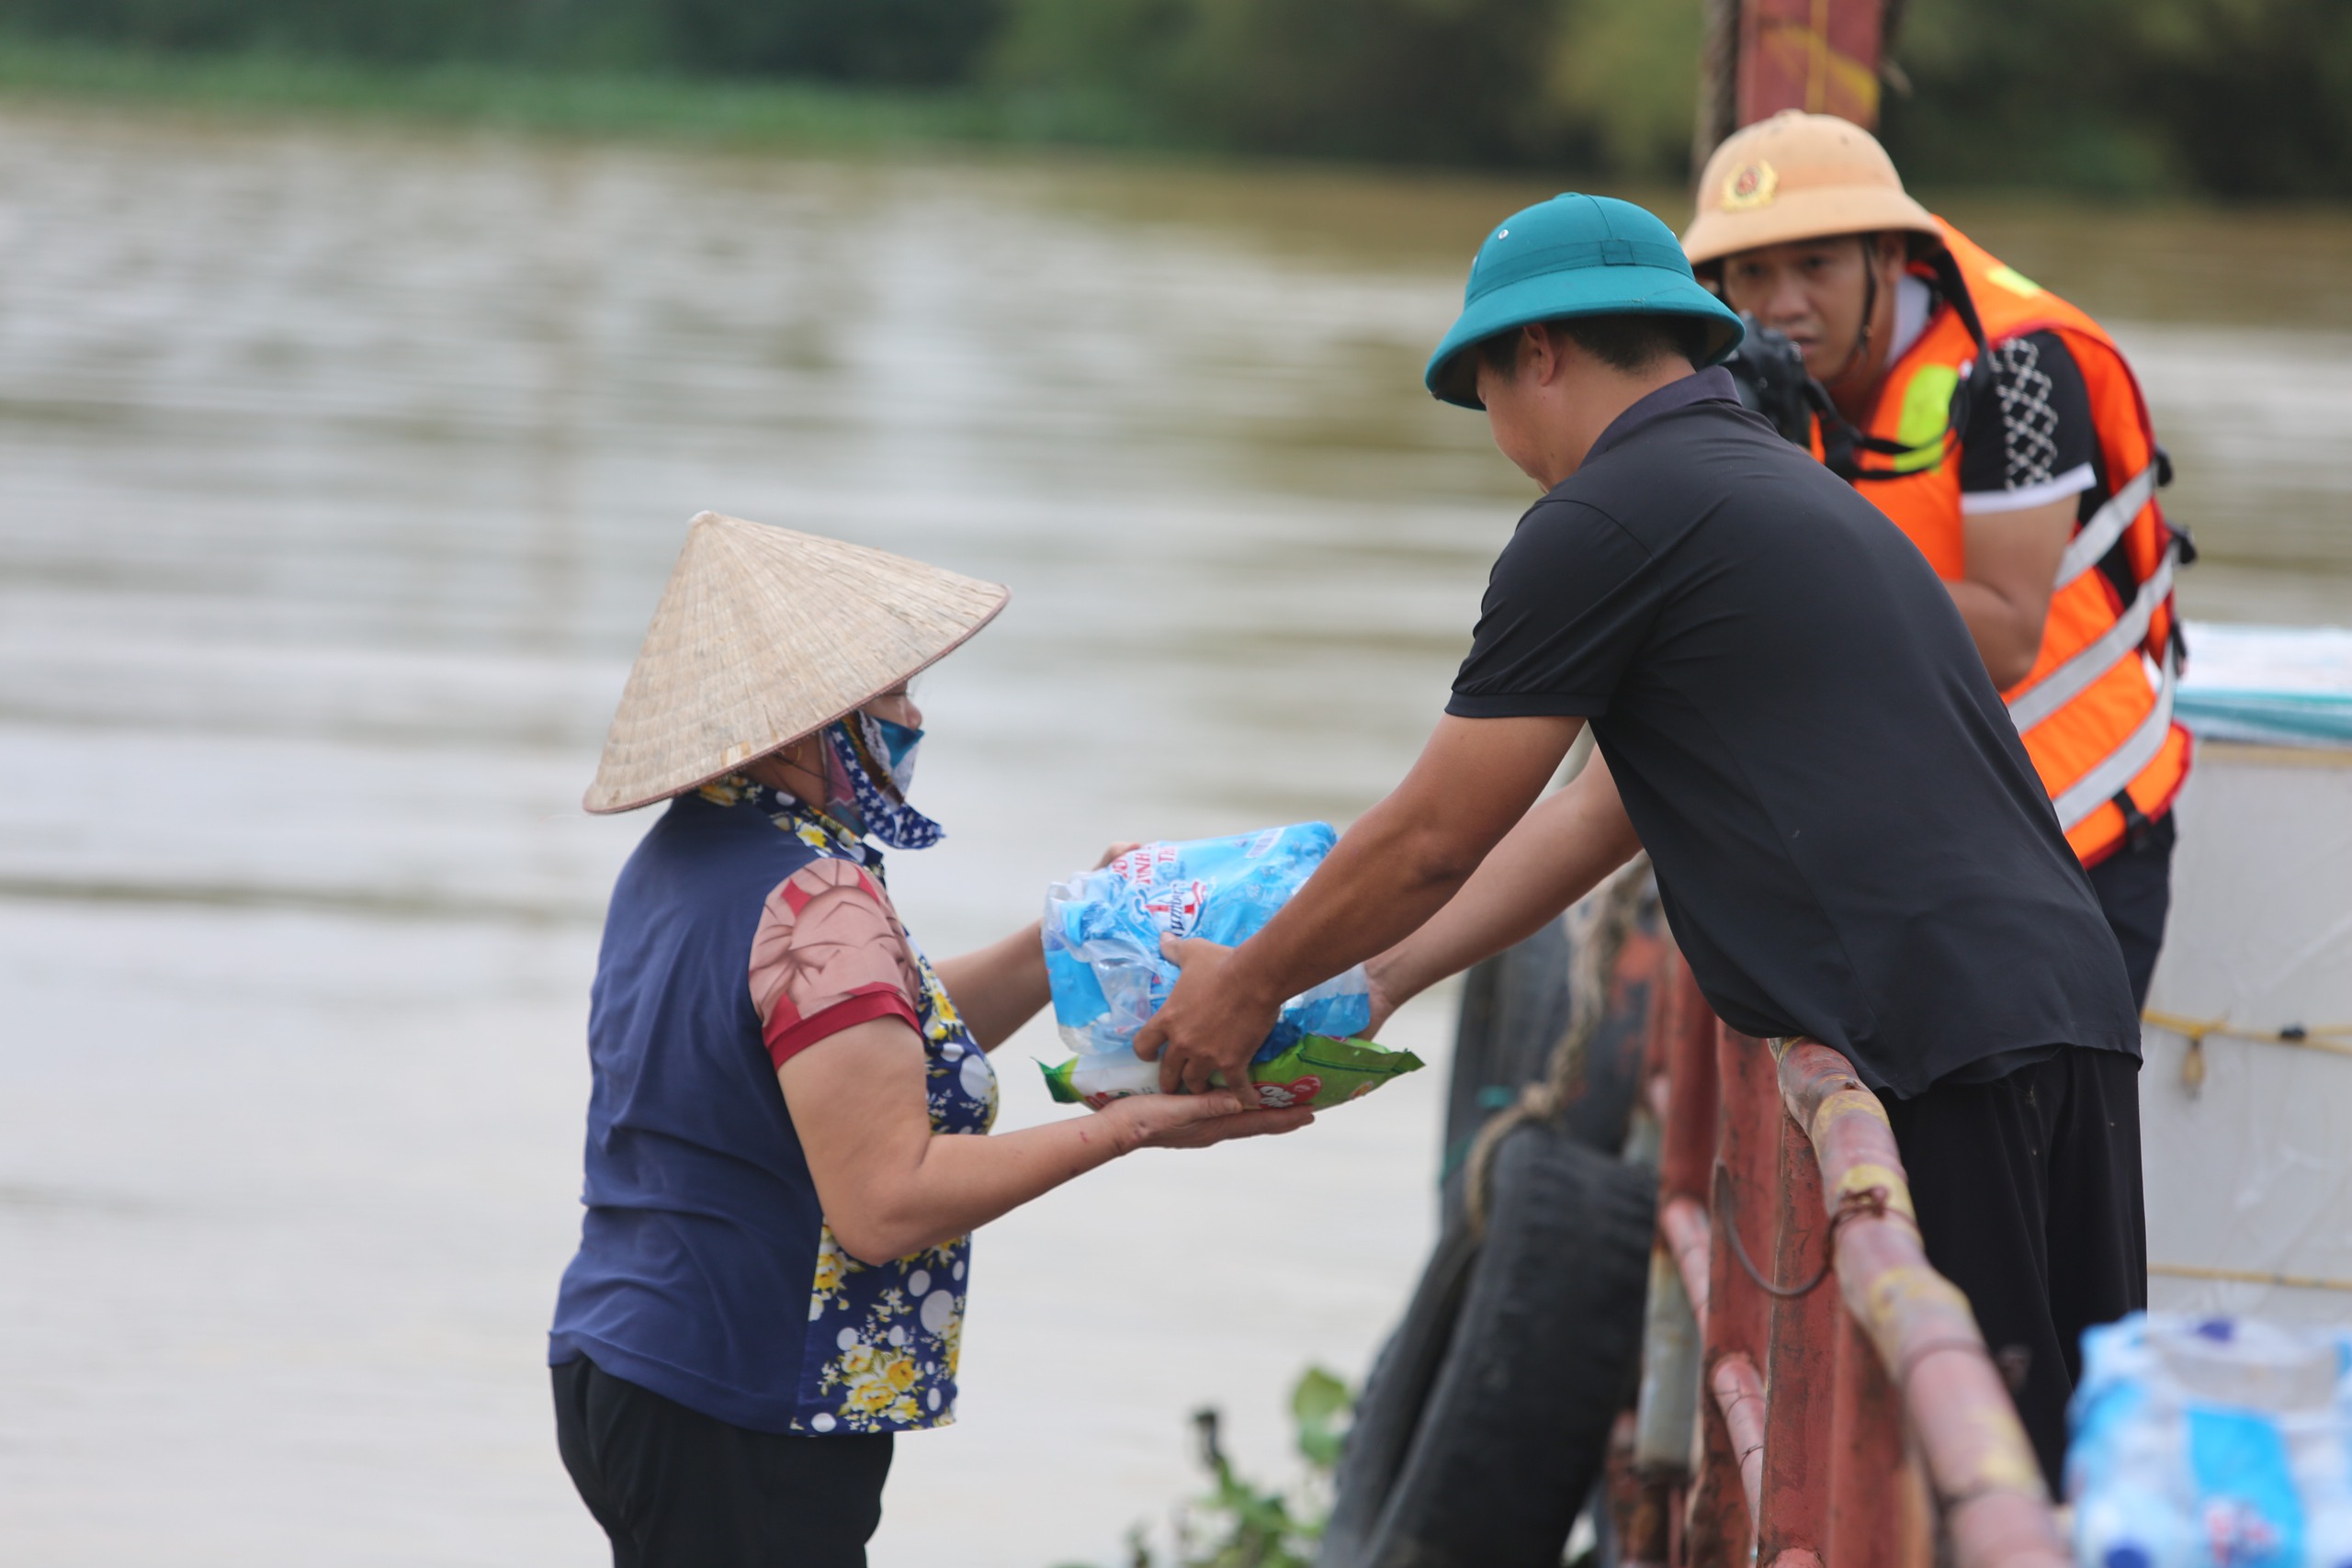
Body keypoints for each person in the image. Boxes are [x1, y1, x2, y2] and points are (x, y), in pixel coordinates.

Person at [1135, 196, 2142, 1490]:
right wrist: (1375, 980)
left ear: (1536, 352)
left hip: (1947, 1033)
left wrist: (1250, 982)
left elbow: (1437, 829)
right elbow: (1589, 815)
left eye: (1484, 394)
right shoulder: (1771, 489)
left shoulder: (1606, 518)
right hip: (2051, 1005)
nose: (1501, 436)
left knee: (1970, 1480)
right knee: (2068, 1466)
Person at [548, 513, 1307, 1567]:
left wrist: (1065, 940)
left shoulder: (697, 853)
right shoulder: (823, 900)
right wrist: (1129, 1126)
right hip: (744, 1399)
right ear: (801, 727)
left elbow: (863, 1046)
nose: (914, 717)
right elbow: (884, 1205)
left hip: (628, 1360)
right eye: (893, 696)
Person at [1683, 110, 2191, 1009]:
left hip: (2074, 838)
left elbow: (2005, 635)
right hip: (1911, 850)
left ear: (1888, 256)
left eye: (1815, 264)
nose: (1782, 303)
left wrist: (1777, 539)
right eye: (1751, 273)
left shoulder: (2019, 368)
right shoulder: (1745, 383)